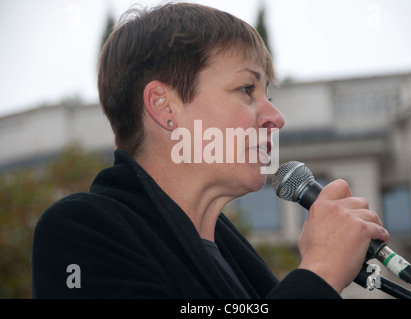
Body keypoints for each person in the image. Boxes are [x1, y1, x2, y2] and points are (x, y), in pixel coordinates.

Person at [32, 2, 389, 299]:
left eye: (270, 96)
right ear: (164, 106)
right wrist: (322, 269)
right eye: (247, 89)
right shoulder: (80, 232)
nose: (276, 118)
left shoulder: (235, 258)